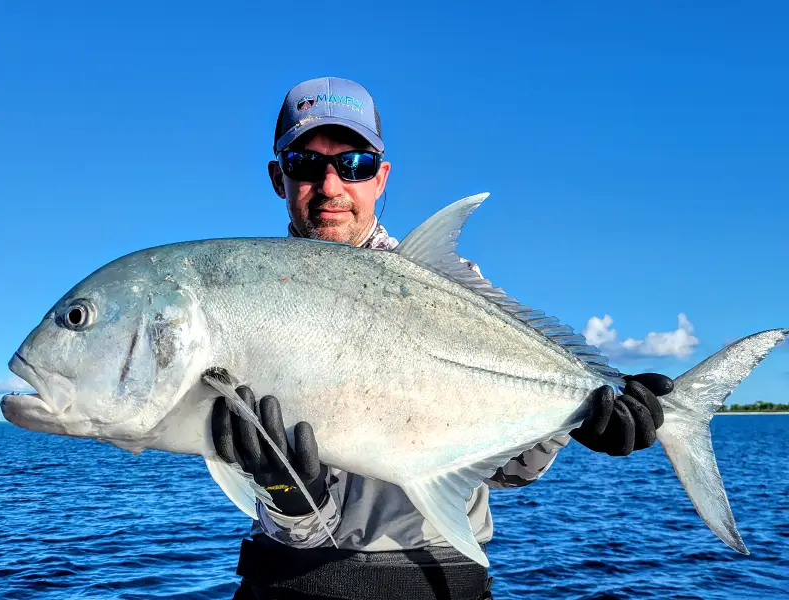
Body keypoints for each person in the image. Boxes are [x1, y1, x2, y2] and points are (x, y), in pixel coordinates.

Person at [214, 77, 674, 600]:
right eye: (305, 163)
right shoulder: (248, 303)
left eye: (353, 164)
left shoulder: (449, 290)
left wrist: (576, 420)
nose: (331, 185)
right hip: (291, 585)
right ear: (279, 177)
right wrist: (287, 498)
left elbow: (507, 471)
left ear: (380, 177)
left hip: (440, 583)